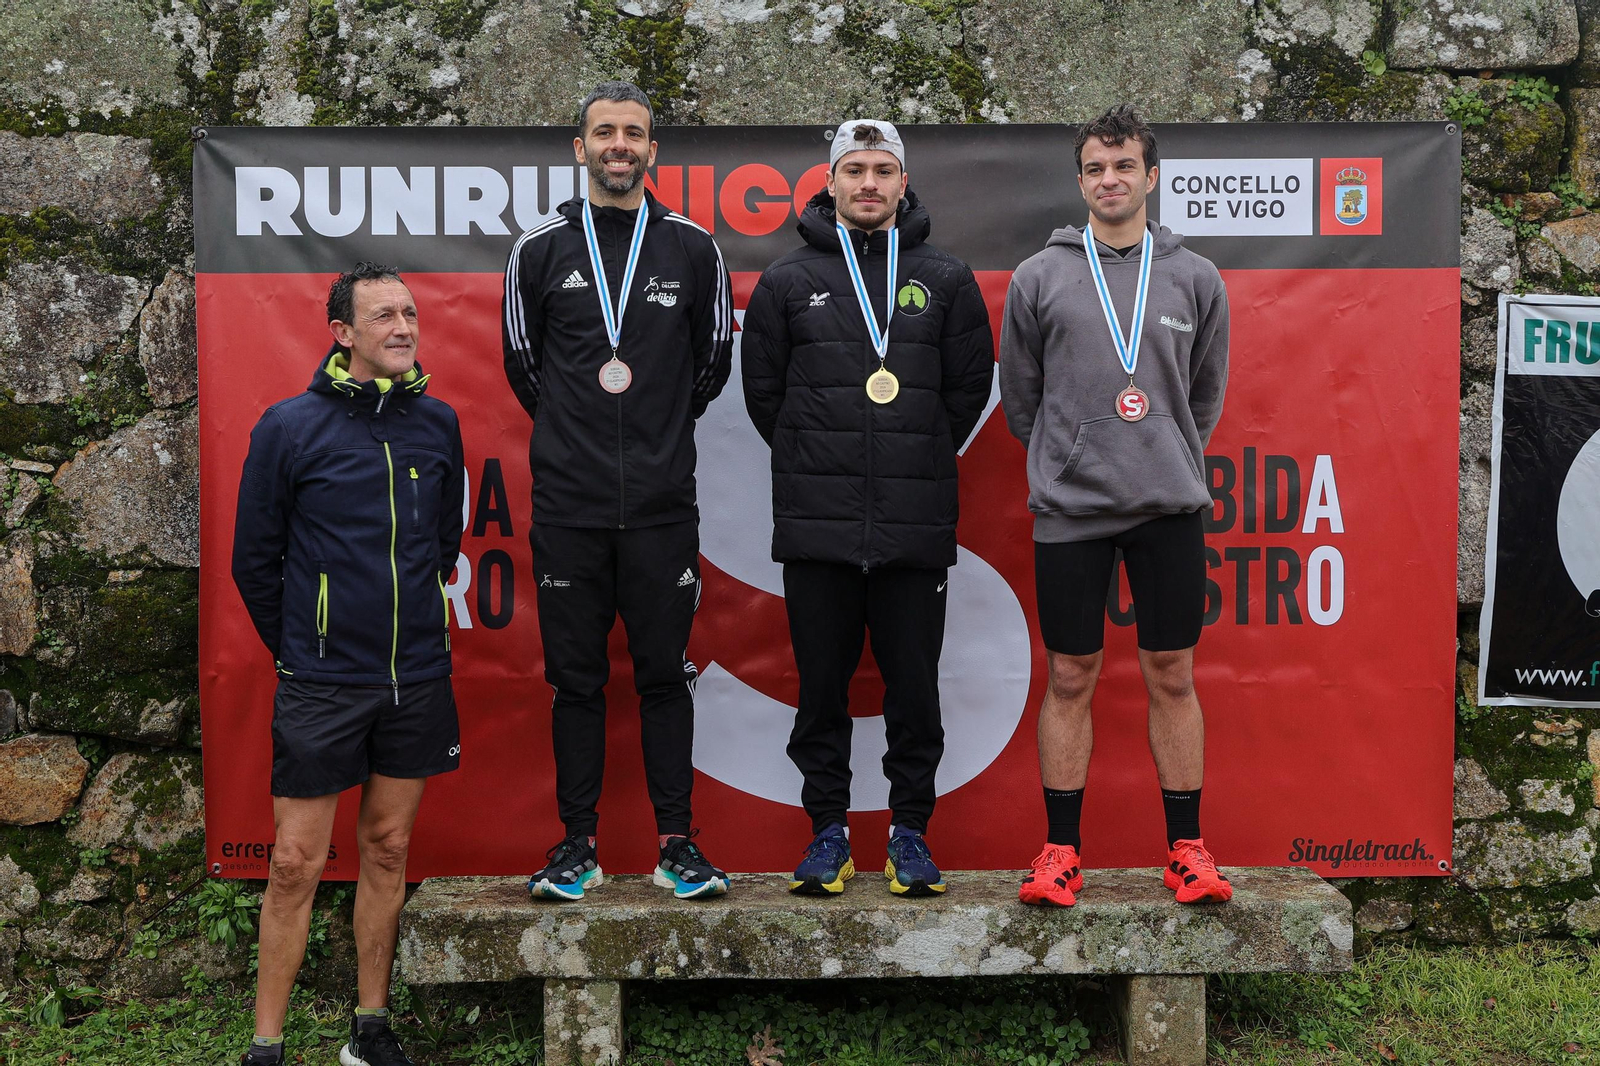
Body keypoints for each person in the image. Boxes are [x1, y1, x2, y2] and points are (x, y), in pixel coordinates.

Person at [742, 119, 994, 896]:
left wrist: (909, 450)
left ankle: (910, 833)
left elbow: (966, 391)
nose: (869, 184)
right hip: (817, 524)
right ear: (831, 182)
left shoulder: (946, 279)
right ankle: (827, 833)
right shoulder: (786, 281)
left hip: (914, 527)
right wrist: (825, 458)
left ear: (903, 182)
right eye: (855, 169)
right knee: (820, 691)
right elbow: (765, 399)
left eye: (883, 170)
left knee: (914, 690)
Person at [502, 81, 734, 901]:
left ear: (652, 151)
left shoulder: (693, 247)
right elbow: (524, 367)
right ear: (580, 148)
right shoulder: (537, 249)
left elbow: (710, 365)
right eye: (605, 132)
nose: (619, 145)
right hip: (570, 509)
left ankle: (679, 843)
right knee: (577, 681)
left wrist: (654, 429)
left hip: (664, 508)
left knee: (666, 674)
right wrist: (582, 434)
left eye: (634, 132)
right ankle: (577, 846)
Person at [232, 263, 464, 1066]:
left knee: (390, 847)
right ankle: (267, 1044)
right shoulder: (288, 427)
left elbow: (445, 545)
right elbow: (254, 564)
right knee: (295, 863)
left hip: (416, 677)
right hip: (323, 682)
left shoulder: (438, 426)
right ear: (342, 334)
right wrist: (308, 644)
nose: (403, 327)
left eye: (410, 313)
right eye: (383, 317)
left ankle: (371, 1027)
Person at [999, 104, 1232, 908]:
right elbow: (1021, 400)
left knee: (1172, 673)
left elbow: (1202, 396)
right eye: (1096, 168)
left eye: (1124, 166)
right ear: (1080, 179)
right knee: (1070, 674)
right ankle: (1061, 853)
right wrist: (1072, 456)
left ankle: (1188, 852)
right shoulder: (1039, 276)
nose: (1110, 180)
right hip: (1071, 509)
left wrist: (1157, 447)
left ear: (1151, 175)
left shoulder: (1196, 277)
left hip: (1167, 506)